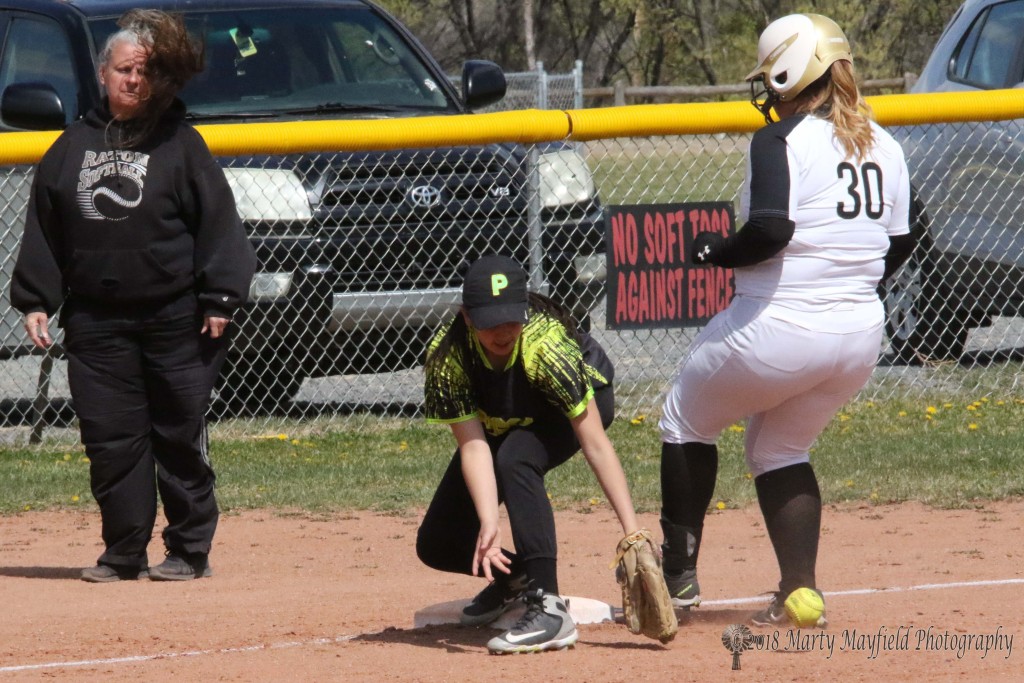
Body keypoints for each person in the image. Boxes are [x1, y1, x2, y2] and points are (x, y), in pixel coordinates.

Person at [657, 13, 917, 628]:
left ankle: (678, 582)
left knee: (684, 419)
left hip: (777, 325)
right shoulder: (887, 143)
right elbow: (901, 240)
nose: (766, 91)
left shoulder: (780, 140)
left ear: (789, 71)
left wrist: (715, 251)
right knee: (779, 447)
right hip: (859, 335)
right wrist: (848, 283)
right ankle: (800, 591)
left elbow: (772, 230)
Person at [10, 9, 256, 583]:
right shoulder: (70, 149)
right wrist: (36, 299)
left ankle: (189, 549)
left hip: (177, 317)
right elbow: (45, 228)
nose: (133, 81)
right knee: (112, 443)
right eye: (124, 70)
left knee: (177, 437)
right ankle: (122, 551)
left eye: (144, 72)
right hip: (97, 323)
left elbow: (219, 225)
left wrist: (220, 298)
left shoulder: (180, 143)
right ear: (103, 73)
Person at [416, 254, 641, 654]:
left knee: (517, 458)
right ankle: (516, 580)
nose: (503, 331)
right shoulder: (449, 355)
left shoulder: (545, 345)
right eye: (490, 321)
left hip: (573, 406)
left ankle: (550, 609)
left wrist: (633, 533)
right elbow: (473, 443)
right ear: (467, 317)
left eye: (512, 318)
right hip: (505, 418)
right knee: (439, 542)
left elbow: (595, 444)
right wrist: (489, 522)